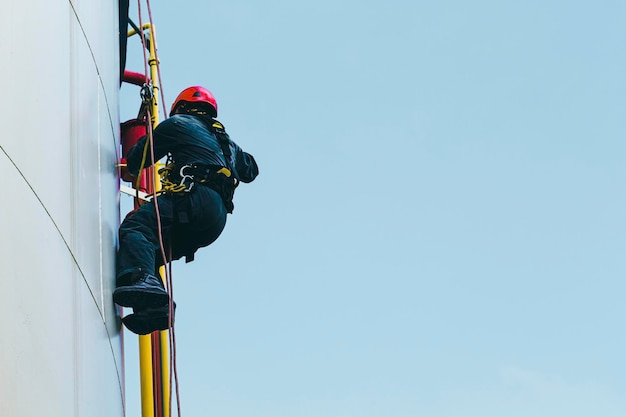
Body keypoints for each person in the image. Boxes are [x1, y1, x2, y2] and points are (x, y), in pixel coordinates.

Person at [113, 86, 259, 334]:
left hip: (192, 199)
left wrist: (128, 167)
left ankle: (144, 282)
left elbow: (139, 159)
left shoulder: (177, 123)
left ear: (180, 108)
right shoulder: (228, 143)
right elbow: (251, 170)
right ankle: (157, 309)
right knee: (152, 252)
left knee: (137, 228)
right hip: (215, 219)